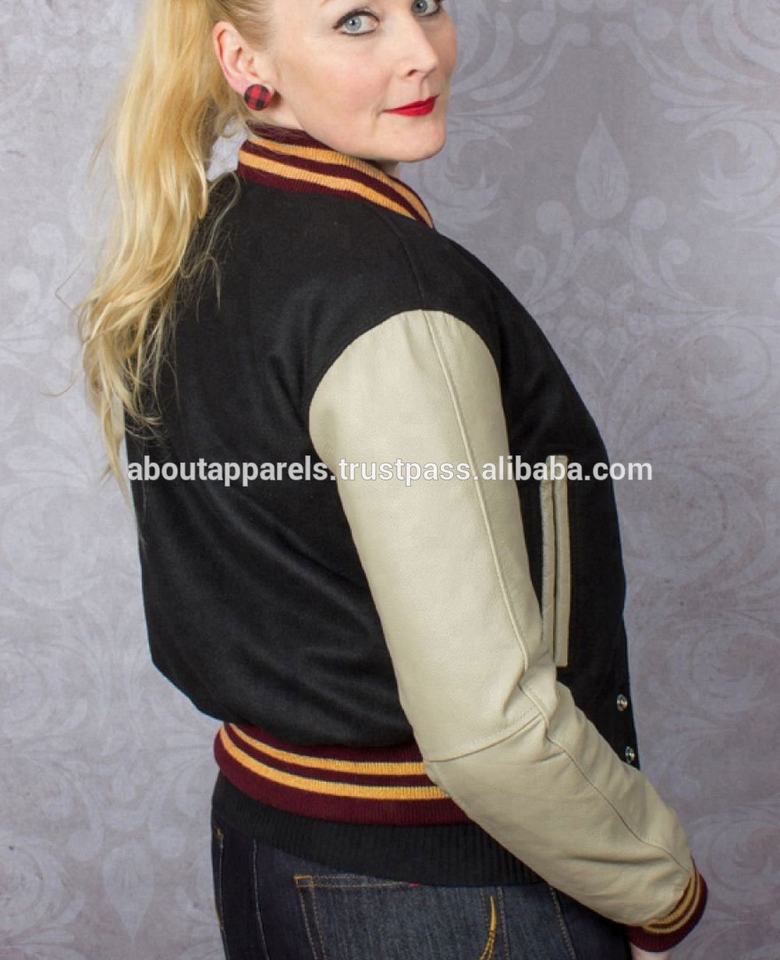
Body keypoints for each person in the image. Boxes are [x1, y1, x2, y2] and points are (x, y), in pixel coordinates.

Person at [77, 0, 709, 957]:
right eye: (356, 21)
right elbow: (492, 734)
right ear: (246, 60)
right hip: (443, 890)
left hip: (266, 851)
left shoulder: (198, 239)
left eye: (426, 3)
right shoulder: (392, 298)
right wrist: (662, 889)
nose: (422, 53)